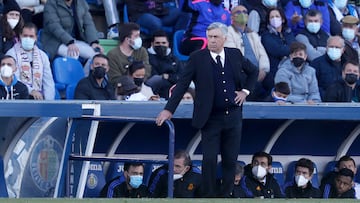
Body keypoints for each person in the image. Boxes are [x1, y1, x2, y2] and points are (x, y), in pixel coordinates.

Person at [156, 22, 258, 197]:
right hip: (210, 117)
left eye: (216, 37)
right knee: (209, 159)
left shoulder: (235, 54)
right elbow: (182, 85)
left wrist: (245, 91)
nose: (211, 40)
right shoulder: (197, 57)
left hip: (233, 116)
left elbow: (254, 71)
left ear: (224, 38)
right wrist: (169, 110)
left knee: (230, 159)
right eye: (209, 37)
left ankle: (226, 196)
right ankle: (208, 196)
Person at [224, 5, 270, 101]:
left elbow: (262, 54)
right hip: (242, 72)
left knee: (271, 80)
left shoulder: (253, 34)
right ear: (232, 17)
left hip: (257, 73)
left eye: (245, 12)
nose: (242, 14)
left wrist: (263, 70)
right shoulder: (228, 32)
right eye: (238, 12)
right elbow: (233, 55)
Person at [6, 22, 55, 100]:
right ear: (20, 36)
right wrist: (31, 91)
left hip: (39, 98)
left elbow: (48, 82)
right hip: (19, 96)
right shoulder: (11, 54)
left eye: (31, 36)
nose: (28, 38)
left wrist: (48, 102)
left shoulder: (43, 56)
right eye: (25, 36)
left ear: (36, 38)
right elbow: (14, 78)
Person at [261, 8, 296, 96]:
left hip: (291, 69)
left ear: (283, 19)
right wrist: (290, 49)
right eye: (271, 17)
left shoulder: (288, 33)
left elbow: (295, 47)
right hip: (274, 71)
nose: (274, 19)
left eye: (277, 16)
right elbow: (278, 50)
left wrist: (289, 49)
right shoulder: (266, 36)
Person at [107, 23, 151, 87]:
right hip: (121, 89)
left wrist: (139, 78)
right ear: (127, 39)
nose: (139, 39)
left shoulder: (142, 51)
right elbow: (114, 78)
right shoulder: (112, 55)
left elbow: (147, 69)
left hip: (142, 85)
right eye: (136, 36)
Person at [146, 30, 182, 99]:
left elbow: (181, 76)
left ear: (168, 44)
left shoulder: (174, 59)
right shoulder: (147, 58)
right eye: (157, 43)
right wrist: (172, 78)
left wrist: (168, 76)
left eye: (163, 43)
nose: (161, 45)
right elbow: (154, 78)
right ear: (152, 44)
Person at [125, 0, 189, 35]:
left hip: (160, 13)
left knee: (184, 12)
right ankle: (153, 45)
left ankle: (175, 40)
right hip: (140, 14)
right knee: (156, 24)